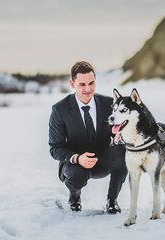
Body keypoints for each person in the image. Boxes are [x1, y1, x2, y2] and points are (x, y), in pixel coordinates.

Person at [49, 61, 127, 213]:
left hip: (103, 158)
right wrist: (78, 158)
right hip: (76, 164)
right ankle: (75, 197)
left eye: (91, 83)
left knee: (124, 154)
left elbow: (120, 128)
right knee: (77, 175)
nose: (88, 89)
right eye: (82, 84)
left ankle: (112, 200)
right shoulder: (60, 110)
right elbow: (55, 148)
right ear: (72, 84)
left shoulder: (109, 104)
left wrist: (120, 135)